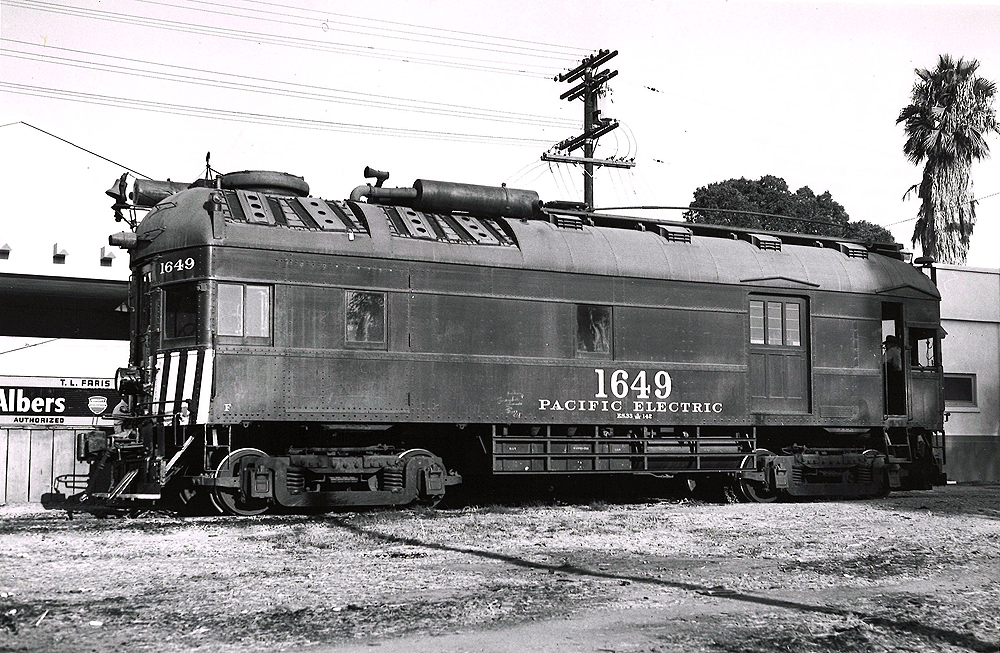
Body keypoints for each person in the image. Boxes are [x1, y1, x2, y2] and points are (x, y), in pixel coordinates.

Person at [883, 335, 905, 414]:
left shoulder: (892, 351)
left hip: (894, 375)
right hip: (898, 374)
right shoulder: (898, 350)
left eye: (887, 344)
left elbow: (883, 361)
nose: (886, 346)